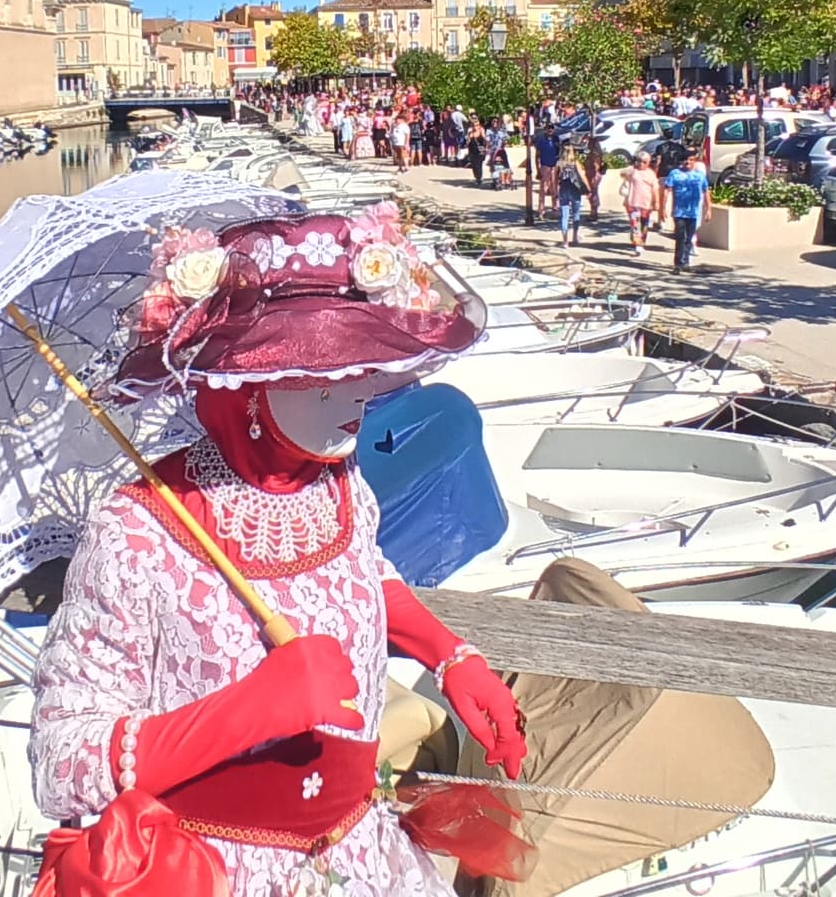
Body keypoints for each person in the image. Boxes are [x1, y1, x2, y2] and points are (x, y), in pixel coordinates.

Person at [30, 210, 526, 896]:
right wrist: (249, 711)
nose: (357, 395)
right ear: (244, 388)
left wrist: (449, 654)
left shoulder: (337, 484)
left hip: (359, 858)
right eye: (320, 375)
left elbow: (359, 573)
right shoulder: (137, 530)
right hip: (211, 872)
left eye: (361, 366)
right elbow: (61, 763)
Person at [661, 153, 710, 270]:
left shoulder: (699, 176)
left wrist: (709, 209)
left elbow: (706, 191)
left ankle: (686, 261)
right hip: (679, 212)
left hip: (693, 212)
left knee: (689, 238)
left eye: (691, 160)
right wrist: (662, 209)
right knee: (680, 236)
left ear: (695, 161)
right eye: (685, 160)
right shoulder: (675, 174)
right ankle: (678, 263)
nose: (688, 162)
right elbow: (667, 191)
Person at [620, 150, 661, 257]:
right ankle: (638, 246)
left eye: (644, 162)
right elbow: (622, 174)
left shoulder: (651, 174)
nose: (641, 164)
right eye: (639, 161)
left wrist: (656, 202)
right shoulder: (633, 171)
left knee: (644, 225)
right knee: (635, 224)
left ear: (648, 163)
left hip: (646, 204)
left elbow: (655, 189)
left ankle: (641, 242)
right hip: (633, 203)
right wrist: (631, 169)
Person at [553, 143, 588, 247]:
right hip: (574, 189)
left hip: (563, 189)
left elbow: (555, 179)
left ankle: (565, 241)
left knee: (564, 216)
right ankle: (575, 237)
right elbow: (582, 175)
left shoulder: (559, 163)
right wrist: (588, 188)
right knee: (576, 214)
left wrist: (555, 191)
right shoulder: (575, 163)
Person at [466, 117, 486, 186]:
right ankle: (477, 178)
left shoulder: (481, 130)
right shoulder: (470, 132)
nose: (475, 127)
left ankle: (479, 179)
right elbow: (467, 143)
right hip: (472, 151)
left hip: (480, 151)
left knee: (479, 165)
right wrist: (470, 137)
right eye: (474, 125)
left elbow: (484, 140)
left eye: (477, 125)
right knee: (474, 166)